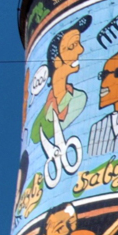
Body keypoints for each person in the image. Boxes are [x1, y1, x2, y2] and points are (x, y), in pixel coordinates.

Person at [29, 15, 91, 163]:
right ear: (57, 61)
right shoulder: (43, 110)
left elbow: (43, 132)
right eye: (72, 47)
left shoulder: (79, 98)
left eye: (79, 44)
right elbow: (35, 137)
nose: (81, 50)